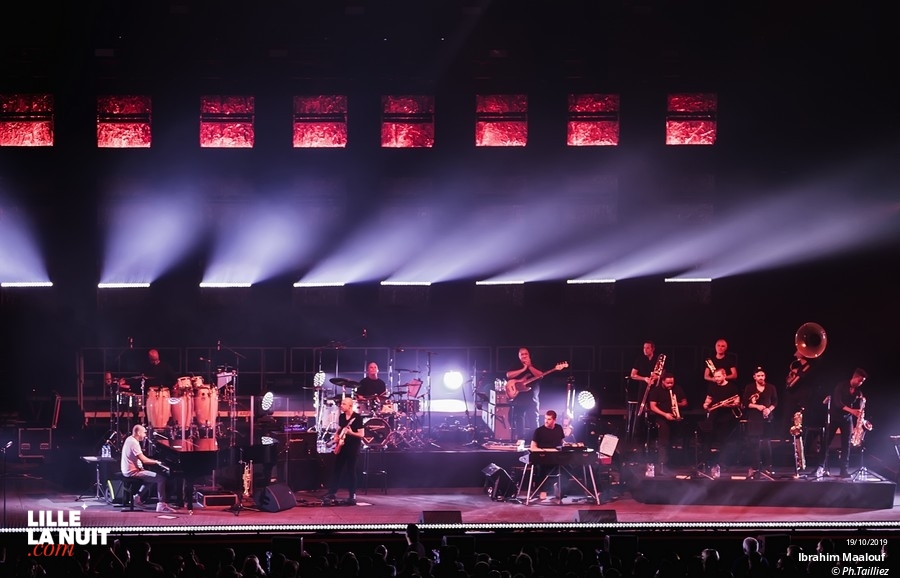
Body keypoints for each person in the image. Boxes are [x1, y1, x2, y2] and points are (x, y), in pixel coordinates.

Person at [817, 367, 868, 478]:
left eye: (862, 382)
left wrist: (858, 421)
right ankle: (820, 467)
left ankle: (843, 470)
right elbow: (838, 403)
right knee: (826, 442)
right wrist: (852, 411)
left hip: (847, 419)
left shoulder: (858, 392)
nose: (860, 383)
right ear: (855, 378)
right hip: (835, 417)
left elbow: (858, 409)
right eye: (860, 381)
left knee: (846, 445)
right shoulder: (841, 386)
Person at [120, 424, 176, 513]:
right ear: (138, 432)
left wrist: (143, 467)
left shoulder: (129, 439)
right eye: (144, 433)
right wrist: (157, 462)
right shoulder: (134, 443)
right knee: (161, 479)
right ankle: (161, 505)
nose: (145, 435)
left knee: (152, 477)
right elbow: (144, 460)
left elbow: (137, 459)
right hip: (132, 472)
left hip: (129, 470)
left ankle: (137, 498)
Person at [323, 396, 364, 505]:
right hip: (342, 445)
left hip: (353, 447)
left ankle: (352, 494)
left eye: (344, 404)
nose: (341, 406)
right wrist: (336, 437)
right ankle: (332, 492)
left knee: (351, 471)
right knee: (337, 469)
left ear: (350, 406)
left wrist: (351, 433)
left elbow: (361, 434)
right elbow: (340, 429)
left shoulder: (357, 418)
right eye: (341, 404)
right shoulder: (341, 416)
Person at [699, 368, 741, 471]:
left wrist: (728, 404)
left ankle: (722, 463)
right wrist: (706, 404)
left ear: (724, 375)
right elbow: (709, 398)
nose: (716, 379)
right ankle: (704, 462)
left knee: (723, 441)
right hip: (714, 416)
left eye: (718, 376)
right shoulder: (712, 386)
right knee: (707, 439)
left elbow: (737, 401)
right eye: (715, 377)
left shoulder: (732, 387)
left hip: (726, 417)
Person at [648, 372, 688, 476]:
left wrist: (676, 404)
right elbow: (652, 406)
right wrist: (665, 414)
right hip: (662, 418)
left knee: (673, 441)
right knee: (664, 443)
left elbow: (685, 402)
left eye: (672, 383)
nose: (670, 385)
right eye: (668, 383)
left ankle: (672, 463)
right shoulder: (656, 391)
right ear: (662, 381)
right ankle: (662, 466)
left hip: (675, 417)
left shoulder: (677, 389)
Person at [741, 367, 777, 477]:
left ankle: (768, 466)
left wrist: (768, 409)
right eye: (758, 376)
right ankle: (755, 467)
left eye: (762, 375)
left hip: (767, 417)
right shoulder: (750, 387)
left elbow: (775, 401)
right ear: (754, 377)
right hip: (754, 418)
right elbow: (745, 403)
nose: (761, 377)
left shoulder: (771, 387)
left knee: (767, 443)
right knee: (754, 443)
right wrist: (757, 406)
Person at [506, 348, 545, 441]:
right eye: (521, 354)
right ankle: (520, 439)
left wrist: (530, 366)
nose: (524, 356)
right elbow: (508, 375)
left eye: (525, 354)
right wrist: (523, 369)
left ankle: (535, 440)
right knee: (518, 418)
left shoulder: (535, 363)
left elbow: (540, 375)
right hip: (519, 397)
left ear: (529, 355)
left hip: (532, 397)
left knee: (533, 418)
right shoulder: (516, 365)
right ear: (519, 356)